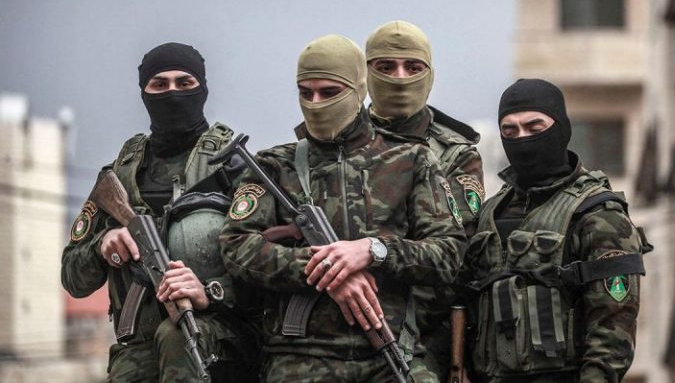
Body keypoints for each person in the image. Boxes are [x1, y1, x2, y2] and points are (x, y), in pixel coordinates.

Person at [219, 34, 467, 383]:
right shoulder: (273, 165)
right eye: (306, 93)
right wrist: (324, 270)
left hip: (391, 351)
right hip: (299, 356)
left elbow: (448, 252)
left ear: (358, 89)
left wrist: (374, 250)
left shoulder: (412, 160)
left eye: (329, 92)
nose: (316, 103)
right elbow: (235, 247)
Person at [61, 42, 259, 382]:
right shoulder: (120, 175)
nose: (172, 93)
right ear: (144, 93)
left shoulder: (235, 168)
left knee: (177, 336)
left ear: (202, 88)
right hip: (137, 354)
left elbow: (267, 273)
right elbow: (73, 280)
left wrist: (210, 291)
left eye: (184, 83)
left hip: (219, 341)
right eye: (160, 84)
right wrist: (103, 245)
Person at [464, 78, 651, 382]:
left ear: (562, 128)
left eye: (534, 128)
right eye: (510, 131)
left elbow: (613, 334)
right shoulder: (490, 212)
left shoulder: (598, 213)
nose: (522, 139)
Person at [365, 20, 484, 379]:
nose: (400, 78)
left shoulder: (454, 154)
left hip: (417, 335)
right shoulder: (336, 140)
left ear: (429, 75)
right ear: (365, 73)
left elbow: (452, 256)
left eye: (412, 67)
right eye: (386, 67)